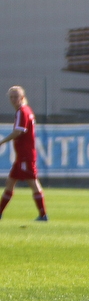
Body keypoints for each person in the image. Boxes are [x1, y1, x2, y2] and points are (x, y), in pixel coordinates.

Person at [0, 86, 48, 221]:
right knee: (10, 182)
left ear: (22, 97)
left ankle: (43, 215)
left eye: (16, 97)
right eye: (11, 97)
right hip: (22, 156)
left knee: (33, 183)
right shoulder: (25, 110)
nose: (14, 99)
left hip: (25, 155)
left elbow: (18, 132)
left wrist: (2, 141)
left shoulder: (22, 111)